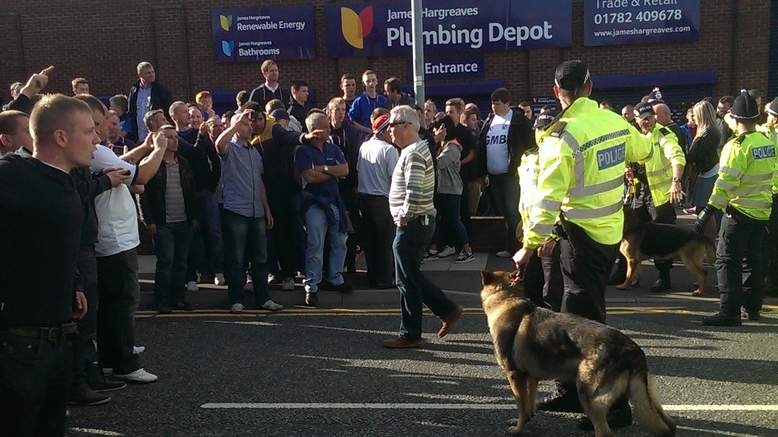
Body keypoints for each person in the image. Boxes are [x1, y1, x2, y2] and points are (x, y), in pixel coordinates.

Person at [513, 60, 653, 431]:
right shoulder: (613, 122)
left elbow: (546, 199)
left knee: (585, 325)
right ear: (590, 87)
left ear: (559, 92)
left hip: (581, 237)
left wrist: (529, 244)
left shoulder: (563, 136)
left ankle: (615, 407)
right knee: (575, 316)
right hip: (609, 234)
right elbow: (643, 150)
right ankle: (574, 390)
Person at [0, 93, 95, 437]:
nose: (97, 139)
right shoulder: (14, 174)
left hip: (58, 338)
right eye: (88, 131)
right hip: (19, 342)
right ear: (60, 137)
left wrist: (75, 283)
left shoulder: (67, 180)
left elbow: (51, 241)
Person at [695, 90, 777, 326]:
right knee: (754, 260)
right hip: (761, 212)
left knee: (727, 261)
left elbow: (725, 183)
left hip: (738, 212)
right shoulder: (765, 141)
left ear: (735, 117)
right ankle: (752, 307)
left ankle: (729, 312)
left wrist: (708, 211)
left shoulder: (736, 146)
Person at [383, 105, 462, 349]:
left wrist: (403, 217)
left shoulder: (413, 153)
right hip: (419, 222)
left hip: (413, 223)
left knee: (405, 280)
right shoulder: (415, 149)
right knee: (411, 276)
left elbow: (414, 190)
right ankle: (446, 310)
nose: (389, 132)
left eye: (392, 126)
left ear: (406, 126)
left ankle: (411, 334)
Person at [214, 110, 283, 313]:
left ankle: (263, 298)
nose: (249, 126)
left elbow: (260, 183)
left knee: (261, 258)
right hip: (236, 209)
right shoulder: (230, 149)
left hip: (256, 212)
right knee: (237, 258)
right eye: (245, 124)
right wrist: (235, 124)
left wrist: (267, 210)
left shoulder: (254, 152)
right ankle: (236, 298)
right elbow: (218, 144)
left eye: (248, 124)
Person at [296, 112, 353, 306]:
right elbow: (310, 177)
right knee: (315, 244)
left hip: (334, 202)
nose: (329, 130)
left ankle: (335, 277)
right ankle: (312, 285)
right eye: (325, 128)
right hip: (314, 204)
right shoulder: (302, 151)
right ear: (314, 131)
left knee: (340, 240)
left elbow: (345, 170)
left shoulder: (333, 147)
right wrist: (333, 172)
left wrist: (325, 169)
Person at [140, 126, 198, 313]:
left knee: (181, 262)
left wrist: (194, 216)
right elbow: (143, 195)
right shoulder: (151, 164)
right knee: (166, 262)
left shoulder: (184, 163)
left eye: (176, 137)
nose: (175, 140)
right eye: (170, 137)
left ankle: (179, 298)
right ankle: (162, 300)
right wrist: (148, 221)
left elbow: (192, 191)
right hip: (163, 221)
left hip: (184, 220)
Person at [633, 102, 686, 292]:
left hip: (660, 197)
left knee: (660, 238)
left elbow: (677, 156)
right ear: (637, 120)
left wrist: (676, 180)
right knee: (635, 235)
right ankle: (632, 274)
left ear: (655, 117)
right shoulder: (639, 136)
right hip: (640, 194)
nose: (646, 121)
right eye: (643, 118)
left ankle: (664, 277)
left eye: (650, 117)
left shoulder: (664, 135)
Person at [478, 88, 535, 257]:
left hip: (511, 174)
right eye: (492, 104)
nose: (494, 107)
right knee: (503, 212)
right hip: (493, 176)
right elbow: (482, 146)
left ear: (507, 103)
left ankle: (520, 247)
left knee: (513, 211)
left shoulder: (517, 120)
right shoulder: (490, 120)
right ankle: (510, 245)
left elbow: (530, 145)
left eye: (498, 104)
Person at [357, 111, 399, 288]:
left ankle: (372, 277)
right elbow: (395, 180)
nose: (392, 133)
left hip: (364, 199)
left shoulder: (364, 146)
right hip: (383, 200)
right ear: (382, 131)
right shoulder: (389, 150)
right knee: (385, 242)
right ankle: (385, 279)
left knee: (370, 242)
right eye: (390, 130)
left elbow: (359, 171)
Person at [326, 97, 368, 273]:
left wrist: (355, 184)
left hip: (347, 184)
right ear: (329, 111)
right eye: (338, 110)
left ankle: (349, 263)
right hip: (327, 184)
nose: (341, 113)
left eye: (343, 110)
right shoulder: (323, 130)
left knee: (349, 224)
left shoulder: (350, 131)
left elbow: (356, 158)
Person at [431, 114, 475, 263]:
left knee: (455, 220)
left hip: (452, 189)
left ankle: (467, 250)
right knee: (444, 220)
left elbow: (438, 163)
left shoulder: (453, 146)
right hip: (442, 189)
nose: (434, 131)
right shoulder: (442, 145)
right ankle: (443, 246)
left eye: (437, 128)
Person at [686, 101, 722, 215]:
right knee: (702, 207)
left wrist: (687, 152)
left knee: (704, 208)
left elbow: (697, 156)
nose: (694, 117)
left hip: (709, 172)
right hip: (707, 171)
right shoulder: (707, 131)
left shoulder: (709, 132)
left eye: (695, 115)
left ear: (702, 115)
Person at [128, 61, 172, 142]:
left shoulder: (161, 90)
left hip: (156, 133)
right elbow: (131, 112)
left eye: (152, 72)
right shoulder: (134, 90)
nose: (152, 75)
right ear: (140, 74)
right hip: (139, 134)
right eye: (148, 73)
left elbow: (167, 110)